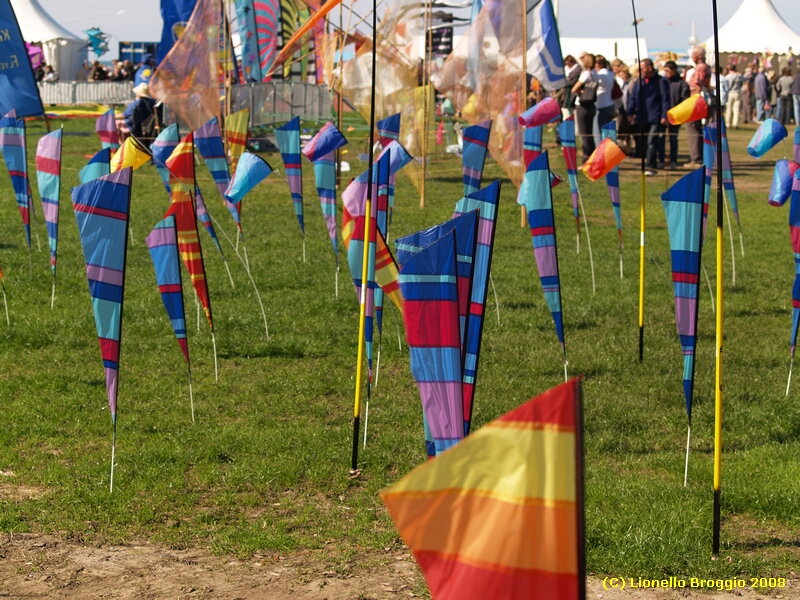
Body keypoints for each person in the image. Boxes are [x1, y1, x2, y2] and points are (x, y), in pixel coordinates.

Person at [626, 58, 670, 176]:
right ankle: (649, 163)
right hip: (642, 117)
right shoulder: (638, 82)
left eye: (642, 68)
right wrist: (630, 113)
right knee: (644, 142)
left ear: (649, 68)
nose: (640, 71)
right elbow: (633, 98)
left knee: (652, 141)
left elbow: (665, 99)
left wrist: (664, 115)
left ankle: (650, 166)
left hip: (655, 117)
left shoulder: (661, 81)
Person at [685, 46, 711, 168]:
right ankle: (699, 156)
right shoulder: (704, 67)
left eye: (694, 54)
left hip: (696, 101)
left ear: (699, 56)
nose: (692, 57)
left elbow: (697, 84)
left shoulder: (700, 68)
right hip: (700, 100)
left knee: (692, 127)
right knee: (696, 128)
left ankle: (696, 158)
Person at [571, 53, 597, 161]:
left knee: (584, 134)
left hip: (583, 105)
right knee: (589, 133)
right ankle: (592, 157)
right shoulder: (595, 73)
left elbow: (574, 89)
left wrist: (579, 91)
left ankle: (586, 158)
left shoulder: (586, 74)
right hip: (591, 105)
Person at [663, 60, 689, 169]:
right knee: (660, 139)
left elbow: (684, 100)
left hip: (675, 116)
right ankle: (661, 160)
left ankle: (673, 161)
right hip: (663, 116)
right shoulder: (662, 82)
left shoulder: (682, 84)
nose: (666, 73)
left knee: (673, 139)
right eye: (665, 71)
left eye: (668, 71)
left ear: (674, 71)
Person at [594, 55, 617, 132]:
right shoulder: (610, 73)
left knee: (602, 130)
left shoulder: (600, 75)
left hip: (602, 104)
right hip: (610, 103)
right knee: (609, 131)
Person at [725, 64, 743, 129]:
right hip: (737, 92)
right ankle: (735, 124)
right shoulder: (739, 76)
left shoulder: (727, 76)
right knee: (736, 109)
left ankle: (728, 124)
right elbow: (745, 79)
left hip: (730, 93)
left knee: (728, 109)